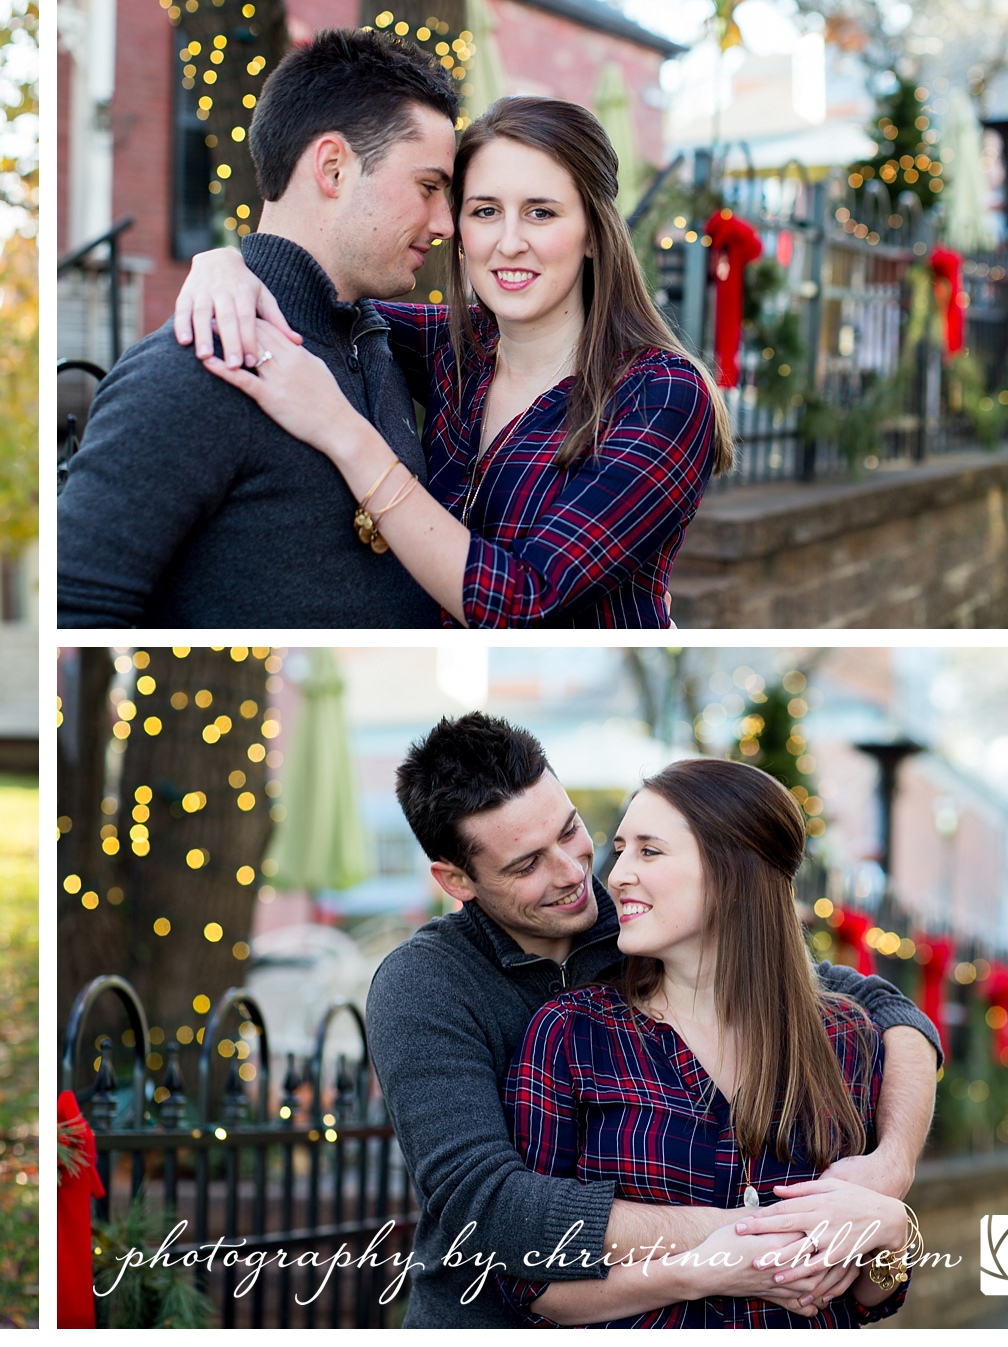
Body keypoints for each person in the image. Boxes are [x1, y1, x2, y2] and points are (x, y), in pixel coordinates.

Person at [363, 714, 941, 1327]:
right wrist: (776, 1236)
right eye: (527, 864)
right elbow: (490, 1206)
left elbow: (883, 1009)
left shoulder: (647, 919)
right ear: (456, 881)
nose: (573, 874)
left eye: (571, 831)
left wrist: (891, 1171)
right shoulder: (427, 986)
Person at [179, 95, 733, 626]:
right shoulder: (457, 351)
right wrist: (227, 264)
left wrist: (341, 431)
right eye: (486, 211)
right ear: (459, 228)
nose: (509, 242)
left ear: (592, 234)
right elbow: (313, 300)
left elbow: (524, 601)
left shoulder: (662, 394)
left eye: (541, 213)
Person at [56, 28, 454, 627]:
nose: (444, 222)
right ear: (333, 168)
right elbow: (76, 608)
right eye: (428, 187)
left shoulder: (376, 341)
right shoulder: (191, 370)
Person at [498, 758, 911, 1326]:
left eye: (649, 850)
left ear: (732, 871)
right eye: (620, 849)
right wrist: (707, 1268)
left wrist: (893, 1231)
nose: (615, 875)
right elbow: (532, 1284)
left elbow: (867, 1297)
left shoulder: (844, 1037)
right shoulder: (574, 1032)